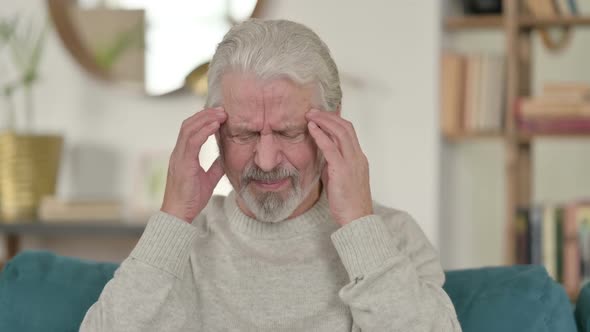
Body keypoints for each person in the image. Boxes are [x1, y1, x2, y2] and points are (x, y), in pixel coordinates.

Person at [81, 19, 461, 332]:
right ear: (214, 129)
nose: (264, 161)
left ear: (334, 121)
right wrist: (171, 221)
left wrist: (359, 226)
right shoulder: (180, 243)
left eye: (288, 132)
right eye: (244, 133)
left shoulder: (393, 236)